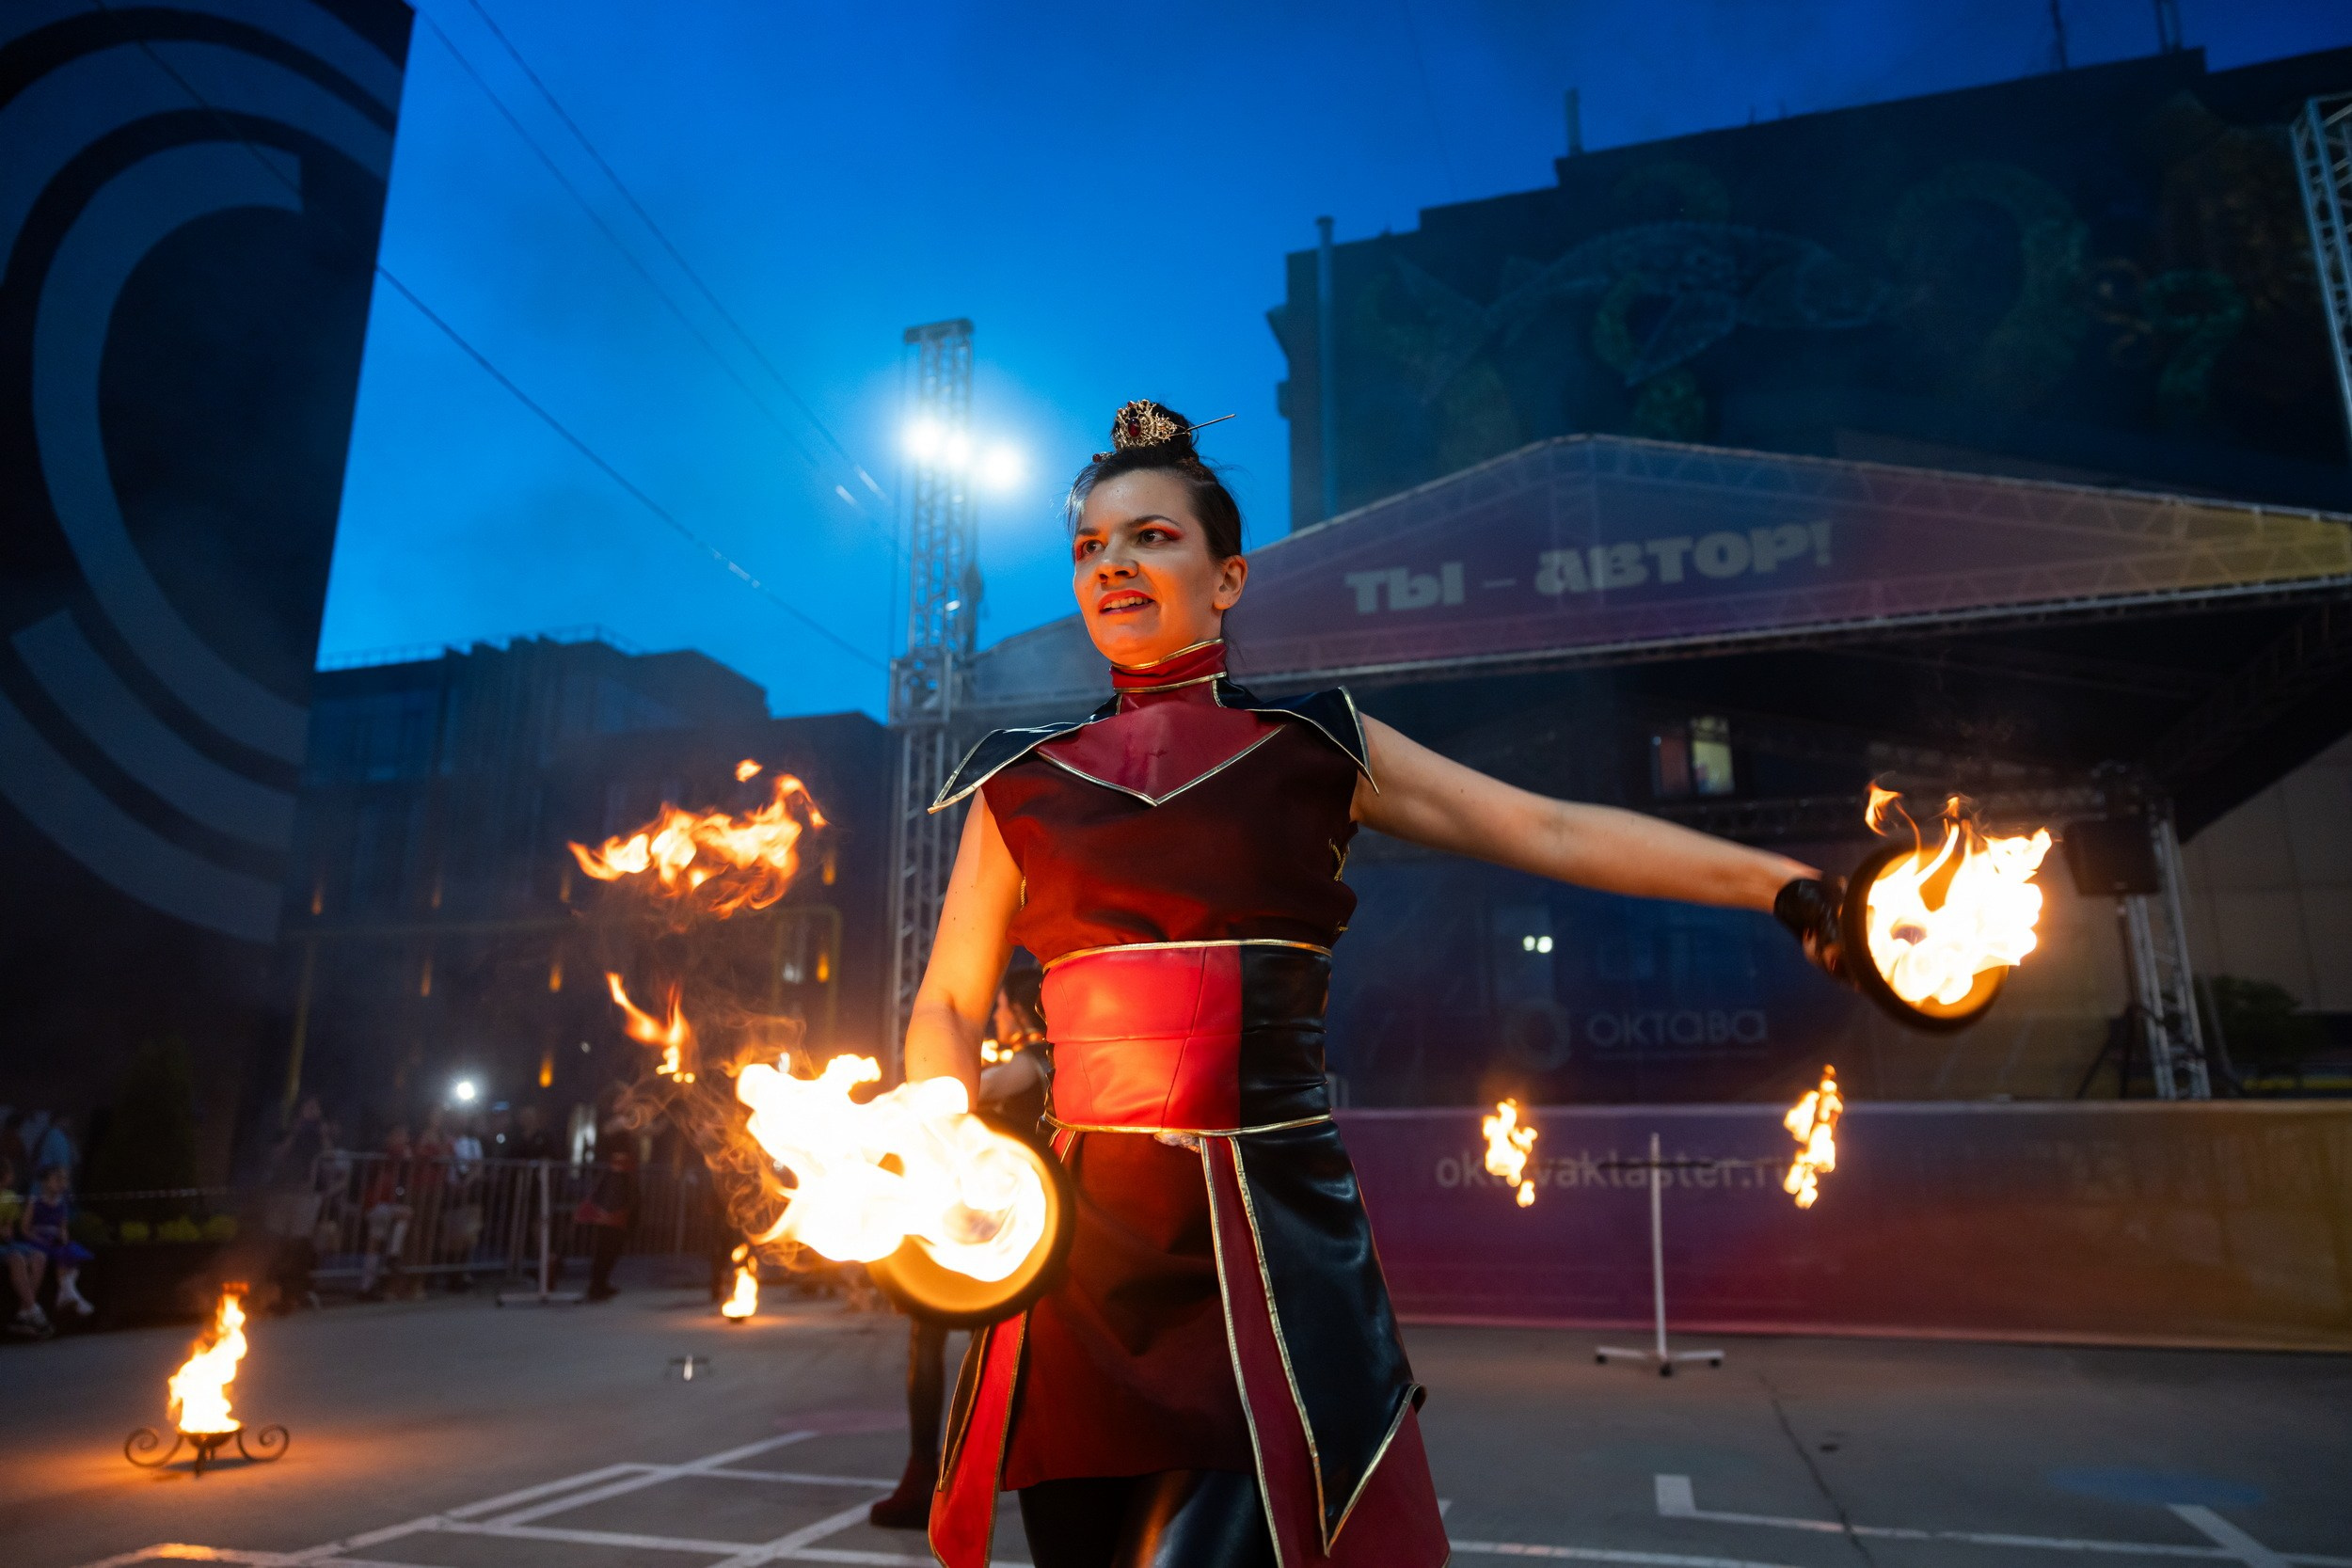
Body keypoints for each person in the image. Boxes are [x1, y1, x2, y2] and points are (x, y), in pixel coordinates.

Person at [907, 402, 1836, 1568]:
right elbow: (948, 1004)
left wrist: (1786, 886)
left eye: (1152, 536)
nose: (1114, 564)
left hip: (1269, 1248)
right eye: (1091, 546)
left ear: (1228, 578)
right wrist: (944, 1144)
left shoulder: (1318, 744)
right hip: (1075, 1260)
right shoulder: (1018, 783)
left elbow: (1546, 827)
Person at [869, 964, 1052, 1530]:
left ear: (1019, 1011)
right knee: (973, 1344)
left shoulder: (1031, 1062)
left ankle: (935, 1472)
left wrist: (899, 1109)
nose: (996, 1016)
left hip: (996, 1232)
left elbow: (970, 1093)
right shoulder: (1047, 1062)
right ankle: (953, 1473)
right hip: (1010, 1228)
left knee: (945, 1342)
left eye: (1000, 1008)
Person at [23, 1164, 95, 1320]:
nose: (62, 1183)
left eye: (64, 1180)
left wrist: (64, 1241)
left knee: (70, 1253)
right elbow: (25, 1229)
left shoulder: (62, 1205)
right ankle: (74, 1298)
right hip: (38, 1242)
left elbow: (63, 1228)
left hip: (54, 1242)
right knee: (51, 1256)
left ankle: (66, 1294)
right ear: (45, 1182)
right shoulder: (35, 1202)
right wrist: (37, 1238)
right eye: (57, 1179)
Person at [357, 1124, 414, 1301]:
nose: (404, 1140)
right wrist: (404, 1154)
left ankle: (366, 1287)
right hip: (375, 1203)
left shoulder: (394, 1155)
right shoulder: (384, 1153)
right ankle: (393, 1255)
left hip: (383, 1204)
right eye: (400, 1135)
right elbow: (394, 1155)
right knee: (405, 1213)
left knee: (374, 1243)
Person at [2, 1152, 53, 1338]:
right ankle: (35, 1310)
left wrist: (7, 1230)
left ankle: (23, 1313)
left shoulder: (10, 1196)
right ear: (5, 1175)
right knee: (17, 1259)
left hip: (7, 1244)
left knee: (39, 1257)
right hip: (5, 1249)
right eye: (11, 1172)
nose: (13, 1175)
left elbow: (9, 1227)